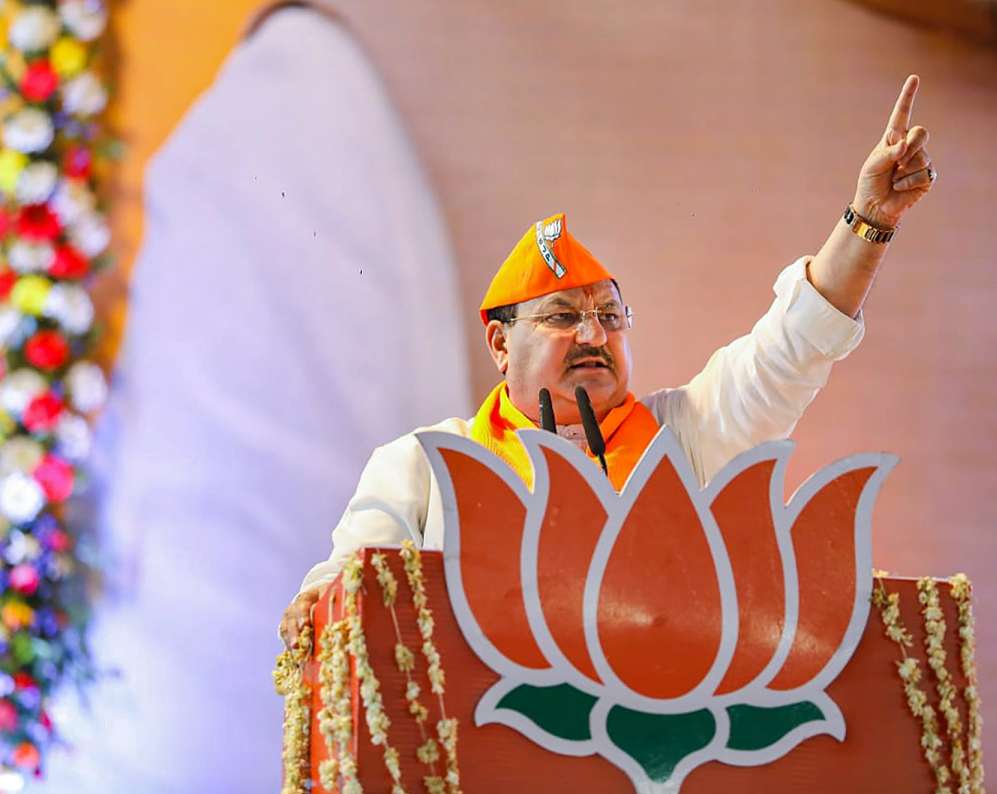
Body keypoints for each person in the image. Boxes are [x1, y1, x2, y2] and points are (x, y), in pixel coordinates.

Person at [279, 74, 937, 648]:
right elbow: (343, 591)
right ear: (500, 344)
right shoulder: (425, 465)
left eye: (611, 316)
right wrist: (317, 604)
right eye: (563, 316)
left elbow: (790, 350)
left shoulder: (683, 436)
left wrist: (868, 223)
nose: (594, 334)